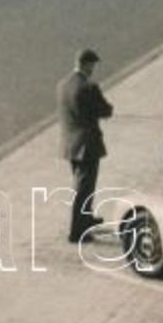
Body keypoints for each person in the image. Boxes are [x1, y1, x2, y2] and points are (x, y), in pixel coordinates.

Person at [56, 48, 114, 243]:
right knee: (84, 189)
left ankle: (86, 219)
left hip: (70, 144)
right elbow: (105, 111)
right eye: (93, 65)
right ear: (87, 64)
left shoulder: (62, 85)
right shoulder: (88, 87)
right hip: (87, 145)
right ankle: (77, 231)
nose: (93, 70)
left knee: (82, 185)